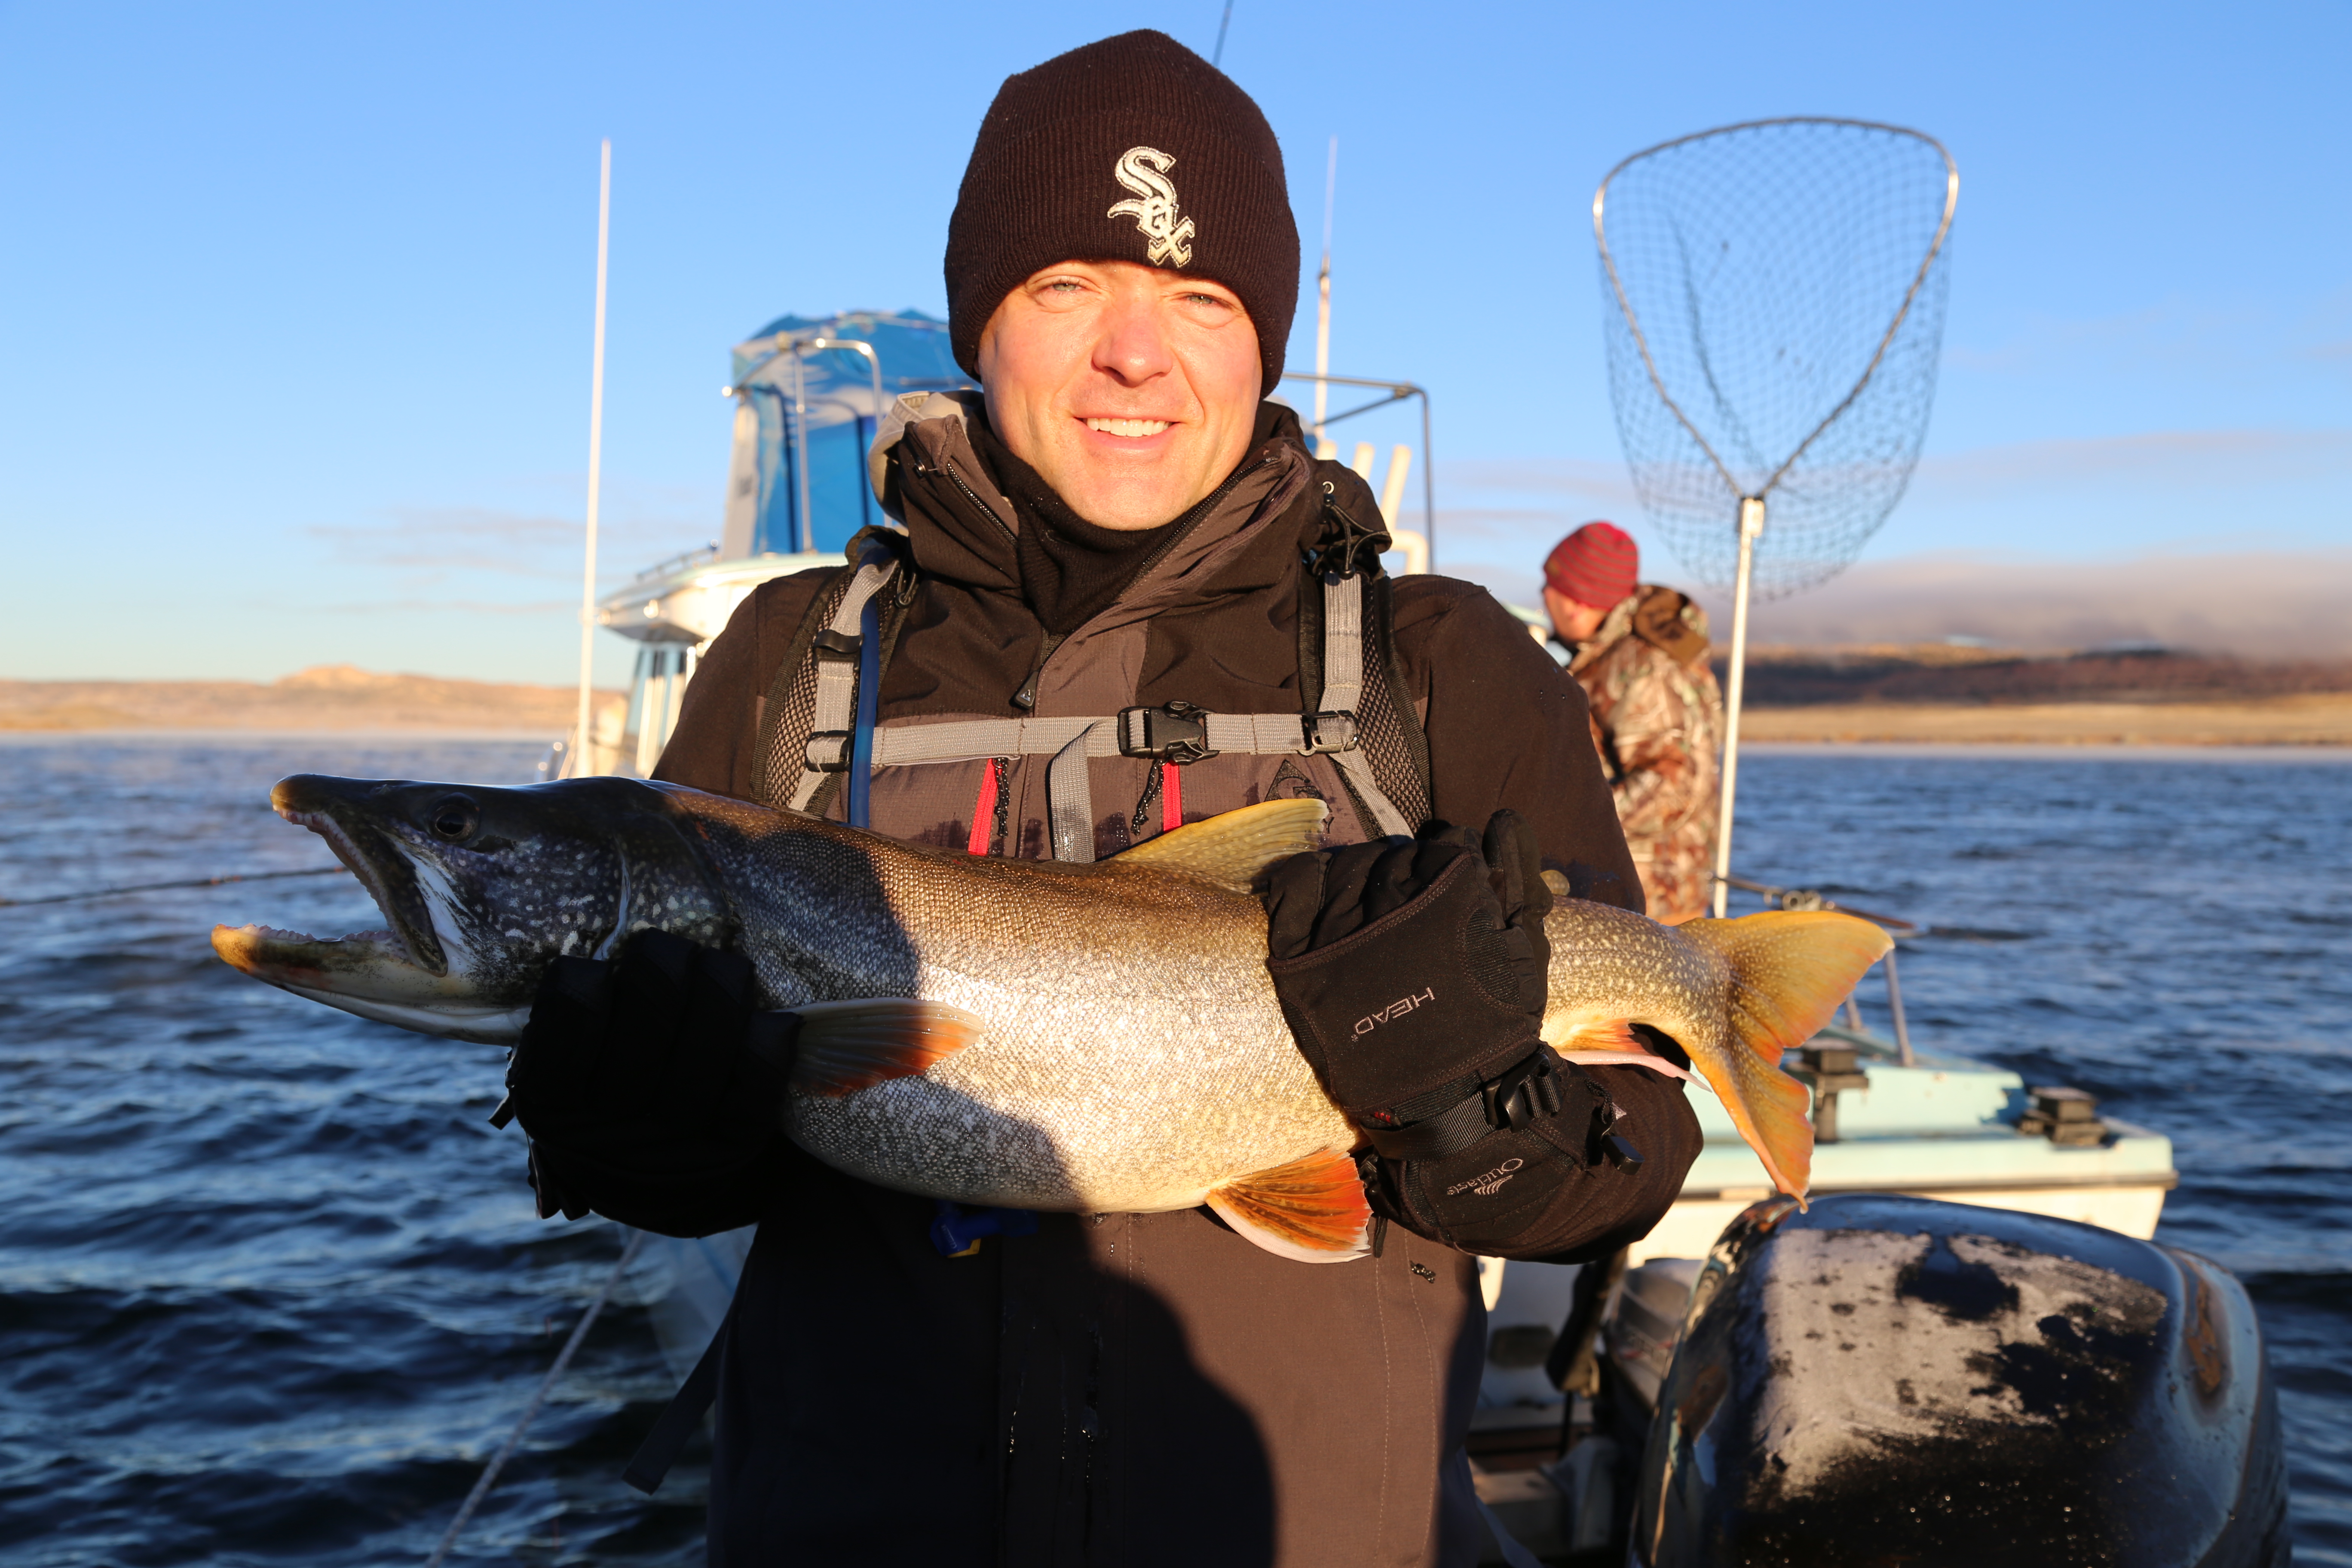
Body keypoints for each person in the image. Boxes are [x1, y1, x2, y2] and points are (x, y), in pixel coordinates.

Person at [507, 33, 1699, 1566]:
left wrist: (1461, 1102)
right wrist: (636, 1134)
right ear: (980, 323)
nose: (1135, 354)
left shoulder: (1446, 668)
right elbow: (704, 1166)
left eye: (1199, 299)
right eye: (1068, 283)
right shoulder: (783, 661)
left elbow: (1629, 1158)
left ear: (1260, 342)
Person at [1541, 522, 1725, 924]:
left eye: (1549, 587)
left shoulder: (1643, 668)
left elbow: (1673, 788)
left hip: (1650, 903)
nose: (1542, 597)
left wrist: (1565, 822)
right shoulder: (1616, 660)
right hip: (1640, 897)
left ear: (1576, 601)